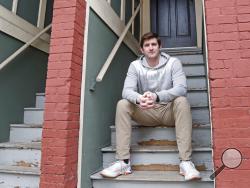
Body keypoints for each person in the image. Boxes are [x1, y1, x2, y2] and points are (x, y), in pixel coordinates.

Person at [100, 32, 201, 181]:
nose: (151, 48)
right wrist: (139, 99)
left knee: (182, 101)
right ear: (142, 49)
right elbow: (126, 91)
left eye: (154, 44)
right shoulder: (135, 66)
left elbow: (181, 88)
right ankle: (123, 162)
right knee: (123, 104)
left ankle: (185, 162)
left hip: (169, 112)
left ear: (160, 46)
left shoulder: (174, 62)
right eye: (147, 45)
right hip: (146, 112)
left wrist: (157, 96)